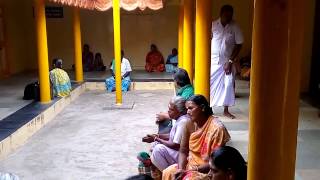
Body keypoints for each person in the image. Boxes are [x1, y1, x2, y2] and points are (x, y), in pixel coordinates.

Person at [162, 95, 230, 180]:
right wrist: (181, 170)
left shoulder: (217, 129)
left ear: (202, 108)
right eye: (186, 109)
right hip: (189, 165)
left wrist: (191, 171)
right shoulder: (188, 123)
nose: (187, 112)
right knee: (168, 172)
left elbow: (216, 162)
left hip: (208, 171)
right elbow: (183, 151)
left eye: (191, 108)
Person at [210, 5, 243, 119]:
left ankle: (226, 110)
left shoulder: (235, 26)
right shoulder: (213, 25)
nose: (228, 17)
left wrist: (230, 61)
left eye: (230, 15)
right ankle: (209, 109)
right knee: (209, 85)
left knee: (228, 85)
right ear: (221, 13)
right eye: (226, 15)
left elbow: (239, 44)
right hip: (212, 61)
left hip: (227, 62)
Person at [142, 96, 190, 172]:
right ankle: (154, 164)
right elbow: (172, 136)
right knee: (156, 143)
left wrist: (156, 138)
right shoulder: (179, 119)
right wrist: (157, 136)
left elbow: (175, 145)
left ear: (179, 111)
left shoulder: (183, 121)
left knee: (158, 149)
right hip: (177, 151)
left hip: (181, 154)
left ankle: (168, 173)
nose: (168, 111)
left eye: (171, 110)